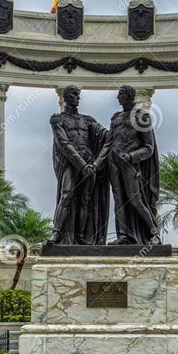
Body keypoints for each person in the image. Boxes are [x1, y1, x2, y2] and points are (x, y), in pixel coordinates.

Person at [95, 85, 159, 244]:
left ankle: (154, 233)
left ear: (130, 96)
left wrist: (131, 156)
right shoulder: (115, 118)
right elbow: (108, 144)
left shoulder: (142, 117)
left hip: (130, 165)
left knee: (135, 200)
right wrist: (97, 164)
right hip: (113, 163)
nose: (118, 98)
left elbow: (148, 148)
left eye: (121, 94)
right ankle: (123, 236)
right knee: (119, 200)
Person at [48, 86, 109, 244]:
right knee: (66, 194)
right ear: (66, 97)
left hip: (89, 160)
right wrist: (82, 165)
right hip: (72, 162)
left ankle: (81, 236)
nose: (78, 98)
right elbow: (64, 144)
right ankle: (57, 233)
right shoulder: (57, 119)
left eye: (78, 95)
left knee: (86, 199)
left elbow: (104, 135)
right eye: (75, 95)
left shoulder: (87, 120)